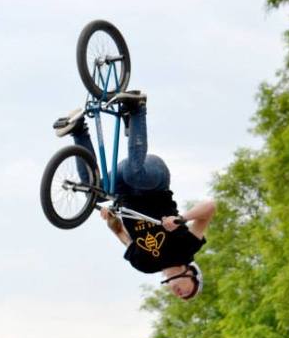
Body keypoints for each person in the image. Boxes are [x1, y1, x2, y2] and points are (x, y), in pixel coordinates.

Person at [54, 91, 215, 300]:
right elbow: (210, 208)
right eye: (188, 291)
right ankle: (137, 108)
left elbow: (120, 233)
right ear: (193, 275)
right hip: (153, 180)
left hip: (124, 191)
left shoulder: (145, 265)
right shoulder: (187, 249)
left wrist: (111, 219)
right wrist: (181, 219)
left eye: (183, 297)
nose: (181, 294)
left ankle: (78, 131)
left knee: (93, 191)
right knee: (134, 174)